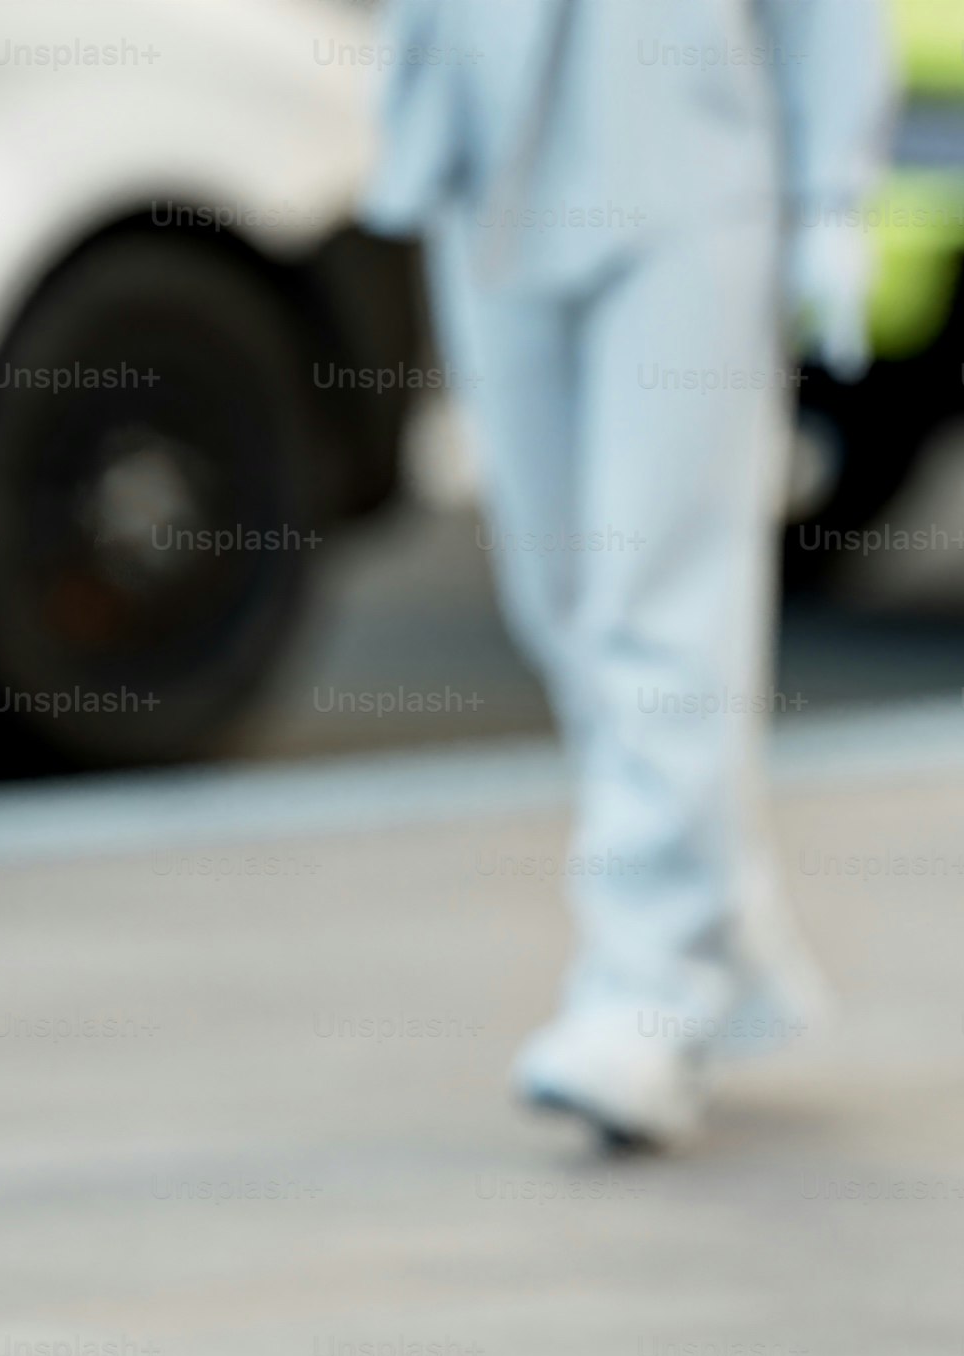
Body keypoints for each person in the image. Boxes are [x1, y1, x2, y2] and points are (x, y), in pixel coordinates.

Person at [362, 0, 892, 1145]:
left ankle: (645, 990)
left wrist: (831, 189)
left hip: (688, 171)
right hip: (489, 167)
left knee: (659, 596)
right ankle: (728, 940)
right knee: (556, 594)